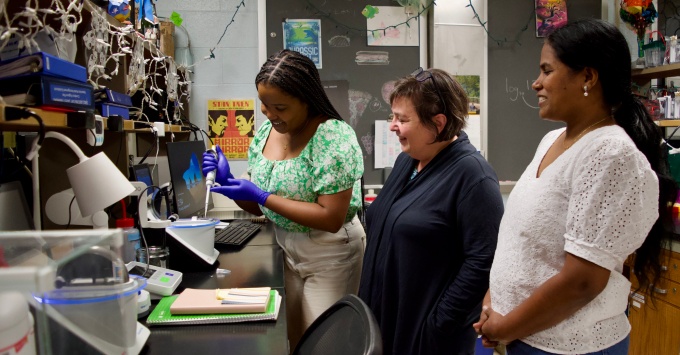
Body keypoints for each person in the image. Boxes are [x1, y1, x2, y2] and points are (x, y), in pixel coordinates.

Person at [474, 18, 677, 354]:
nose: (535, 83)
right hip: (513, 332)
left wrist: (507, 326)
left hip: (564, 345)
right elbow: (520, 240)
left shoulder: (610, 153)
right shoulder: (552, 140)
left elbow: (583, 280)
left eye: (547, 71)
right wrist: (492, 302)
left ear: (587, 77)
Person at [202, 49, 365, 349]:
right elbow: (256, 204)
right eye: (264, 104)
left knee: (323, 344)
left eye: (280, 106)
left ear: (306, 99)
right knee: (293, 341)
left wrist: (264, 195)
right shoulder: (267, 132)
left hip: (331, 254)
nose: (270, 114)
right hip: (288, 250)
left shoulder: (333, 136)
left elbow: (330, 218)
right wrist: (230, 183)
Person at [358, 67, 504, 354]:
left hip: (426, 334)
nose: (392, 126)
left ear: (438, 123)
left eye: (402, 119)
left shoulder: (473, 177)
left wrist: (441, 321)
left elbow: (483, 260)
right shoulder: (408, 161)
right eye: (393, 116)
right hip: (386, 319)